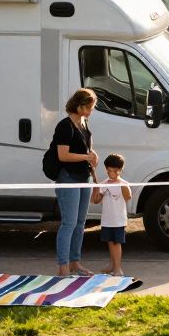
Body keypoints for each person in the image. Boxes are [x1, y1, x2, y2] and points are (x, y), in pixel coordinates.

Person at [51, 88, 99, 277]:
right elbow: (62, 155)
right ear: (78, 106)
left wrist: (95, 182)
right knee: (69, 223)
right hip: (68, 177)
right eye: (88, 108)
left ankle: (75, 263)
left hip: (84, 177)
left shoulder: (84, 123)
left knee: (80, 223)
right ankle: (63, 267)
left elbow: (90, 155)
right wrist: (86, 157)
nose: (90, 111)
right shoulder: (64, 126)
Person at [91, 153, 132, 276]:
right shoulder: (104, 184)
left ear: (120, 170)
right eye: (108, 171)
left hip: (118, 220)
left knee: (116, 243)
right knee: (109, 242)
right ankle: (112, 265)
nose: (111, 173)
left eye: (114, 171)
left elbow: (128, 197)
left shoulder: (124, 184)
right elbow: (96, 201)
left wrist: (123, 186)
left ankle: (118, 268)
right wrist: (96, 189)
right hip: (107, 220)